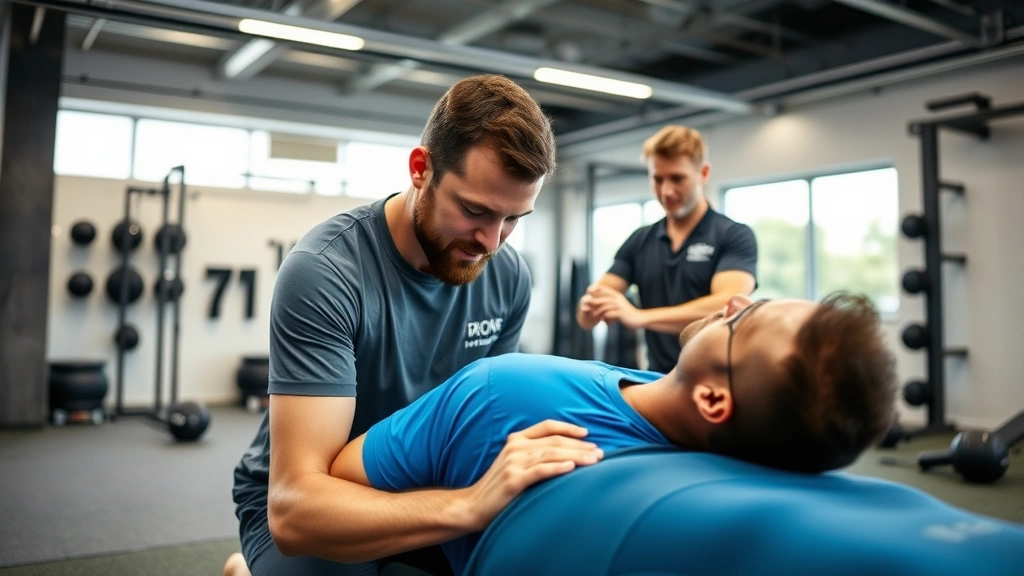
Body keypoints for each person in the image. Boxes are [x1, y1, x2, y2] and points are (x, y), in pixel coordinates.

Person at [225, 75, 603, 576]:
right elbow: (296, 509)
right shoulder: (325, 271)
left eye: (514, 218)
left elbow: (483, 426)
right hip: (320, 496)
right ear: (421, 169)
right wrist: (468, 507)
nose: (491, 242)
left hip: (427, 482)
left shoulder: (507, 276)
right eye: (475, 210)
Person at [330, 292, 898, 576]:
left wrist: (467, 506)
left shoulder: (504, 389)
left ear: (712, 401)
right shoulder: (769, 452)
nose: (733, 301)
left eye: (744, 319)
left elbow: (340, 477)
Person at [578, 125, 758, 373]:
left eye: (677, 178)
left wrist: (639, 316)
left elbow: (727, 305)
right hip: (658, 379)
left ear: (703, 173)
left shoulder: (734, 235)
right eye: (658, 179)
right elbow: (587, 317)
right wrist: (591, 306)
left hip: (717, 379)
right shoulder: (640, 241)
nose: (666, 191)